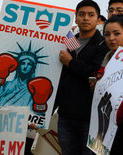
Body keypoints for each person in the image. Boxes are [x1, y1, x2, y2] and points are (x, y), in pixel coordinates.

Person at [54, 1, 109, 154]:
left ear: (98, 20)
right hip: (65, 115)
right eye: (81, 14)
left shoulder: (103, 45)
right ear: (75, 18)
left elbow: (95, 73)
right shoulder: (68, 42)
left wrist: (70, 62)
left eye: (91, 15)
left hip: (92, 119)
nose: (86, 18)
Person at [95, 14, 123, 155]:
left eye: (116, 33)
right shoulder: (107, 59)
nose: (111, 38)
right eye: (107, 34)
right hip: (105, 129)